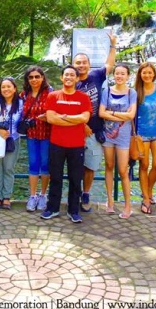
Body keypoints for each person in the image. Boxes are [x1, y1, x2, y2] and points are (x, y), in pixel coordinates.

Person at [41, 65, 92, 223]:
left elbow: (85, 119)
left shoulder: (83, 98)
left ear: (77, 78)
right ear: (61, 78)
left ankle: (73, 210)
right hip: (57, 143)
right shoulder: (53, 96)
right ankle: (52, 208)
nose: (69, 77)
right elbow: (50, 119)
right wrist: (74, 118)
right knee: (55, 177)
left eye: (72, 75)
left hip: (76, 145)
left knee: (76, 179)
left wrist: (62, 117)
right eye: (66, 75)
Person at [73, 31, 117, 213]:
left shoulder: (97, 76)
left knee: (90, 166)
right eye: (78, 63)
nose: (81, 65)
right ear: (73, 65)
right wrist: (82, 125)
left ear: (89, 64)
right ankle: (74, 195)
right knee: (75, 165)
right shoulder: (70, 81)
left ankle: (86, 193)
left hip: (96, 130)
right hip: (76, 130)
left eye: (84, 63)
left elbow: (110, 64)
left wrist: (113, 44)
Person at [99, 64, 137, 219]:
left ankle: (128, 206)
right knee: (108, 166)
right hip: (107, 135)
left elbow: (131, 115)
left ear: (128, 76)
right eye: (117, 73)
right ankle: (110, 202)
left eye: (123, 74)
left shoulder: (131, 93)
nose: (119, 76)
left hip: (124, 136)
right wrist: (121, 114)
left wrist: (111, 113)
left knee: (123, 170)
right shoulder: (106, 91)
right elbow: (101, 113)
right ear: (113, 75)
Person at [134, 61, 156, 215]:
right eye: (144, 73)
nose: (147, 75)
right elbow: (132, 115)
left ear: (154, 74)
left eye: (150, 72)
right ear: (140, 75)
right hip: (142, 134)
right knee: (144, 165)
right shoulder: (136, 92)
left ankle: (148, 189)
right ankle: (146, 198)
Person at [0, 77, 24, 209]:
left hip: (12, 139)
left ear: (14, 88)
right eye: (3, 87)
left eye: (9, 86)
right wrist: (0, 131)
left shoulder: (20, 103)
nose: (6, 89)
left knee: (9, 168)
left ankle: (7, 197)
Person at [20, 66, 52, 212]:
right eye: (31, 77)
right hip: (31, 135)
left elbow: (56, 111)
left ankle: (43, 195)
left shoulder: (50, 93)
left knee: (45, 165)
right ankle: (32, 196)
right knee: (33, 164)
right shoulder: (24, 95)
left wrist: (48, 117)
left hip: (47, 134)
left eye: (37, 76)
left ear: (42, 77)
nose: (34, 79)